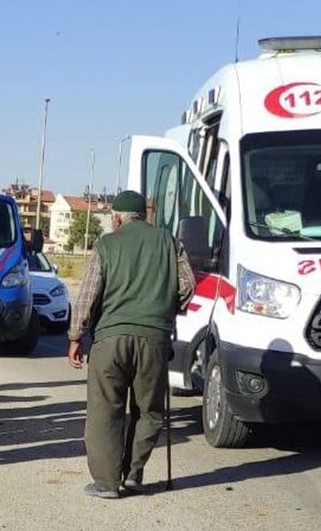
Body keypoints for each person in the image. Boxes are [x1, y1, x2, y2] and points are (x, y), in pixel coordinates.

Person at [67, 190, 195, 499]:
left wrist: (75, 335)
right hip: (154, 338)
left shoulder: (107, 244)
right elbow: (188, 284)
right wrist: (166, 308)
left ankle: (107, 483)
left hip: (110, 338)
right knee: (148, 411)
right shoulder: (169, 242)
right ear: (145, 215)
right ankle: (134, 474)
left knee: (104, 411)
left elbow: (88, 294)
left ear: (118, 217)